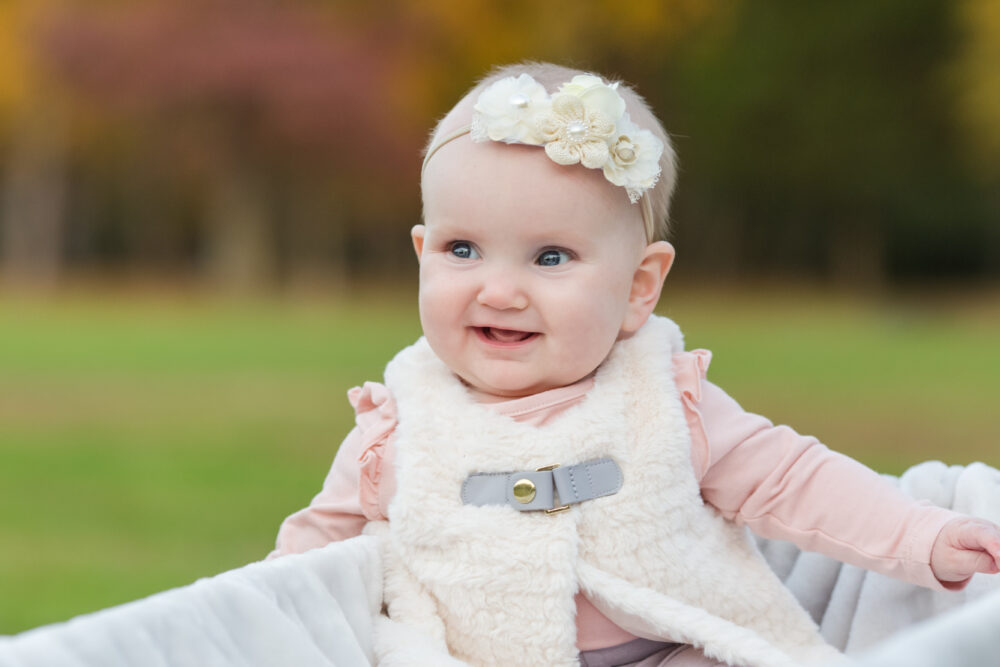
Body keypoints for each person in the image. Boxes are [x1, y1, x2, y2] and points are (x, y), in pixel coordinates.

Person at [268, 62, 1000, 667]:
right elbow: (304, 561)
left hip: (671, 645)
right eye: (464, 250)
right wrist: (250, 624)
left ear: (638, 287)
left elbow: (794, 479)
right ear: (424, 254)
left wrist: (924, 537)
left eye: (550, 257)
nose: (498, 288)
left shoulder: (665, 399)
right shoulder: (399, 427)